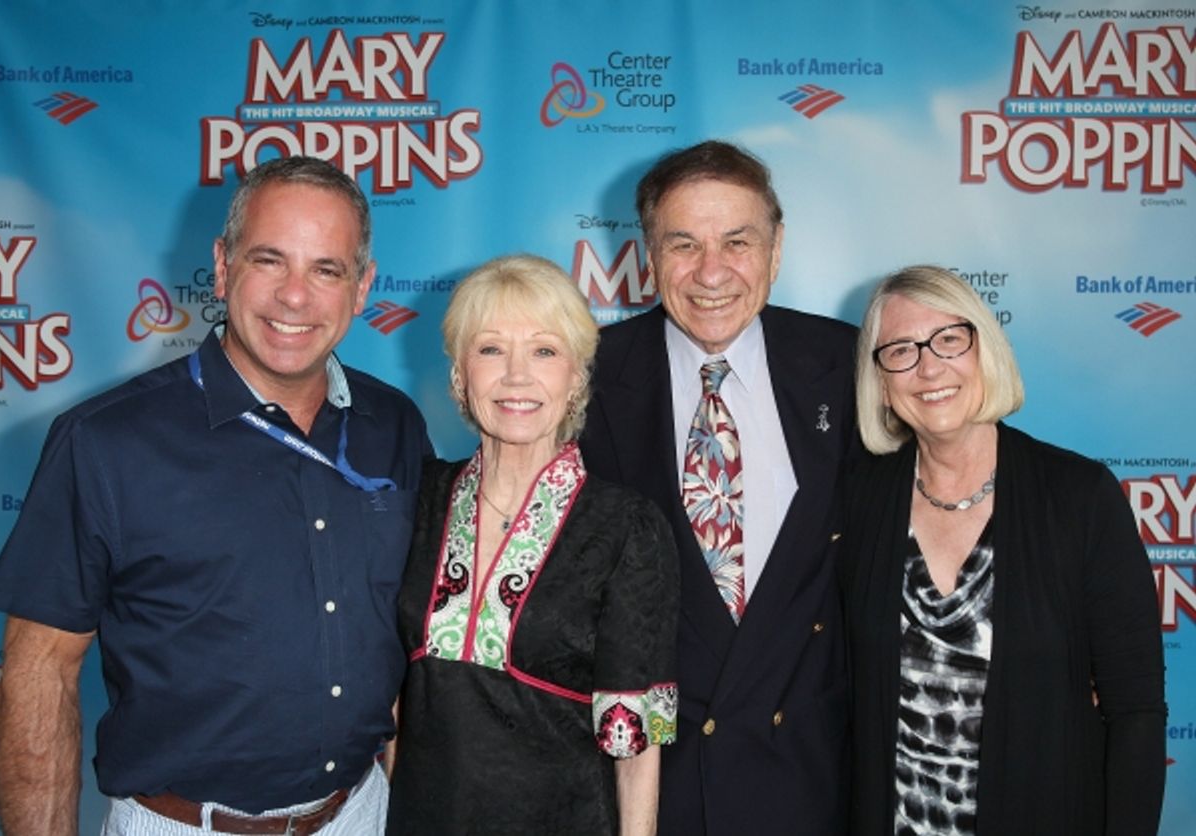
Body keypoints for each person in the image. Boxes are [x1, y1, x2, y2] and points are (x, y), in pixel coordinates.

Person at [0, 155, 432, 836]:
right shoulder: (105, 442)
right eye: (269, 261)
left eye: (326, 269)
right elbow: (41, 674)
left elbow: (409, 640)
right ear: (223, 267)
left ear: (363, 287)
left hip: (360, 813)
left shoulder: (396, 425)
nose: (295, 296)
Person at [580, 140, 857, 835]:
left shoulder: (854, 367)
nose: (711, 273)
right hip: (651, 797)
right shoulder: (581, 381)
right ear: (647, 253)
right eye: (683, 244)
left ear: (776, 246)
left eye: (737, 241)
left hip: (815, 787)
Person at [839, 265, 1166, 835]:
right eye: (900, 350)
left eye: (948, 340)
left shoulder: (1079, 497)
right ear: (881, 382)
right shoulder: (856, 500)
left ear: (983, 350)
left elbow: (1135, 710)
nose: (929, 367)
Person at [387, 254, 680, 836]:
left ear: (576, 377)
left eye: (544, 351)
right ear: (459, 375)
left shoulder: (626, 527)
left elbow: (635, 741)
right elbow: (396, 702)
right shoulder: (418, 499)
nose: (516, 375)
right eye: (491, 349)